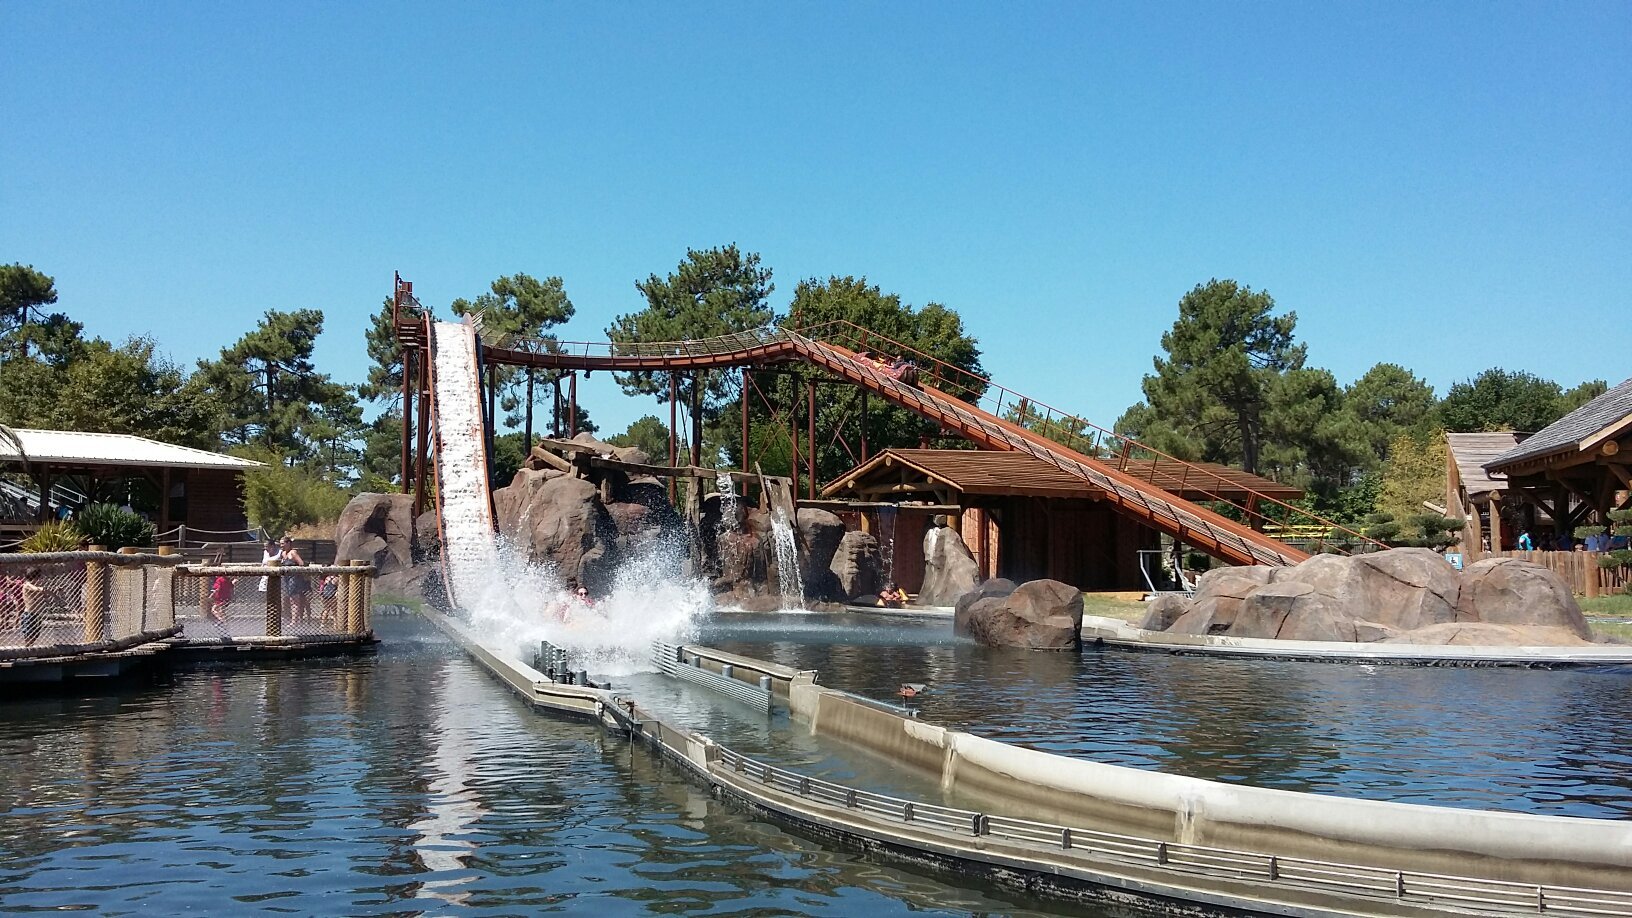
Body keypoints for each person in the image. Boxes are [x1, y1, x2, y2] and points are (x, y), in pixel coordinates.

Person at [279, 537, 310, 625]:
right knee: (286, 599)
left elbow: (301, 563)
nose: (281, 545)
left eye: (282, 543)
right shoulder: (283, 553)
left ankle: (294, 621)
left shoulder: (293, 552)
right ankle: (290, 618)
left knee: (294, 600)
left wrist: (295, 571)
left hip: (294, 578)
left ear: (288, 543)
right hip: (285, 579)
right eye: (280, 544)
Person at [20, 567, 45, 646]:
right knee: (29, 634)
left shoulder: (36, 585)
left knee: (35, 634)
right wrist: (42, 589)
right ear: (34, 577)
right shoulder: (27, 585)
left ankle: (30, 647)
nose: (40, 580)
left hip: (37, 614)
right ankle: (27, 648)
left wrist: (55, 590)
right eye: (39, 577)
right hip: (29, 614)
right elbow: (35, 589)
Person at [208, 549, 232, 626]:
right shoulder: (224, 578)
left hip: (221, 597)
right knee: (221, 610)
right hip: (225, 597)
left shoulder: (219, 579)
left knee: (215, 609)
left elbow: (217, 565)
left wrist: (211, 595)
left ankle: (222, 621)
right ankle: (224, 622)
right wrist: (219, 555)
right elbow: (217, 564)